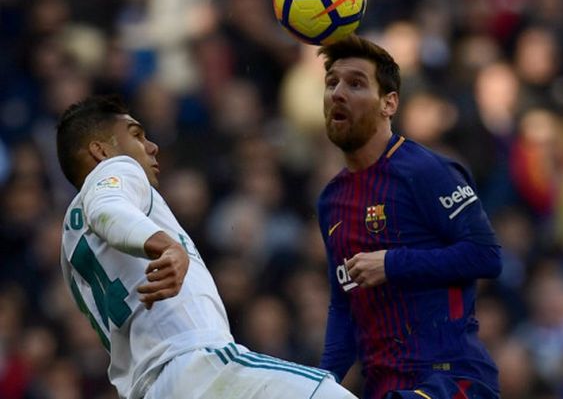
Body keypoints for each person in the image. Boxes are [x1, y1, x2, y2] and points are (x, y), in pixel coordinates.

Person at [56, 95, 358, 399]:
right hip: (195, 365)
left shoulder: (70, 244)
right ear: (101, 151)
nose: (151, 146)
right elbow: (108, 208)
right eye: (136, 135)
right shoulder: (116, 170)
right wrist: (168, 246)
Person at [316, 35, 503, 399]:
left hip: (450, 379)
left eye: (355, 83)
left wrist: (393, 263)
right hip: (384, 387)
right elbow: (344, 305)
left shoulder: (426, 171)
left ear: (389, 103)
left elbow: (487, 255)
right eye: (331, 82)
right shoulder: (330, 200)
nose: (338, 93)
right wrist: (319, 383)